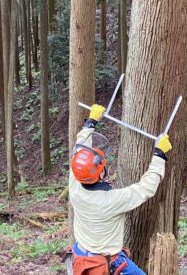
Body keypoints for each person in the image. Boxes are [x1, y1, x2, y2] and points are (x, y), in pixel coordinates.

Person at [67, 104, 172, 275]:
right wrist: (160, 155)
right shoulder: (112, 201)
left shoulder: (75, 183)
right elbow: (145, 188)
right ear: (100, 174)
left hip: (81, 255)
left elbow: (78, 149)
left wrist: (90, 123)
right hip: (107, 262)